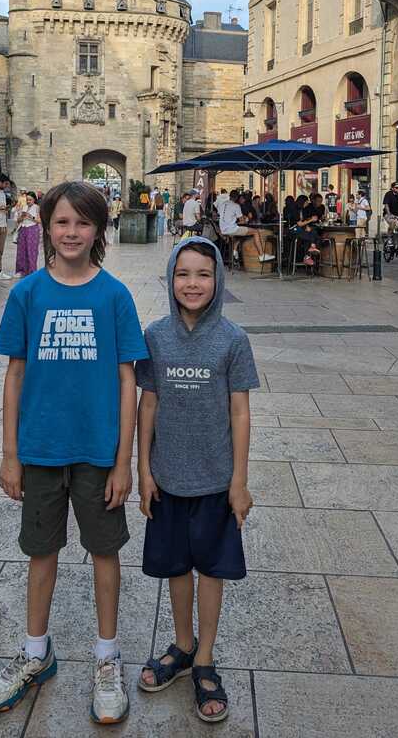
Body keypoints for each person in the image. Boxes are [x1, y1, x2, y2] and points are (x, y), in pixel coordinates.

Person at [0, 181, 147, 723]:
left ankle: (106, 655)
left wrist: (125, 461)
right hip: (42, 450)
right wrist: (10, 454)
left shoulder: (115, 296)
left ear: (99, 230)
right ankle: (35, 651)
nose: (71, 232)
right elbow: (14, 375)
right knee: (40, 552)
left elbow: (128, 382)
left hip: (98, 453)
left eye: (82, 223)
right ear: (45, 226)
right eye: (61, 222)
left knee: (105, 553)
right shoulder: (27, 293)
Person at [136, 237, 258, 723]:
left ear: (218, 280)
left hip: (214, 478)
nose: (192, 283)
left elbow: (241, 413)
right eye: (183, 274)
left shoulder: (233, 339)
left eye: (203, 275)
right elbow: (149, 404)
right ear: (170, 280)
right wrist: (142, 469)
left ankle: (205, 656)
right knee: (175, 567)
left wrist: (239, 481)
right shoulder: (156, 336)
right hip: (167, 477)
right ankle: (182, 646)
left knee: (211, 568)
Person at [219, 190, 275, 263]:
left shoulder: (222, 204)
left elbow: (225, 216)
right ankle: (261, 255)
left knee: (242, 234)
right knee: (255, 232)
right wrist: (246, 219)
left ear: (230, 196)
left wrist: (234, 220)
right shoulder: (236, 206)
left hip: (222, 229)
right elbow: (242, 221)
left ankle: (234, 251)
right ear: (237, 198)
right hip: (231, 229)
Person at [14, 191, 41, 278]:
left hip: (32, 229)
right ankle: (21, 270)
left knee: (31, 251)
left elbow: (40, 221)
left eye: (30, 200)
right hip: (23, 228)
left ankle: (32, 271)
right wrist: (21, 216)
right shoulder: (24, 207)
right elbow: (18, 221)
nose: (28, 201)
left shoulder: (37, 208)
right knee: (21, 250)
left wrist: (30, 216)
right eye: (27, 200)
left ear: (34, 200)